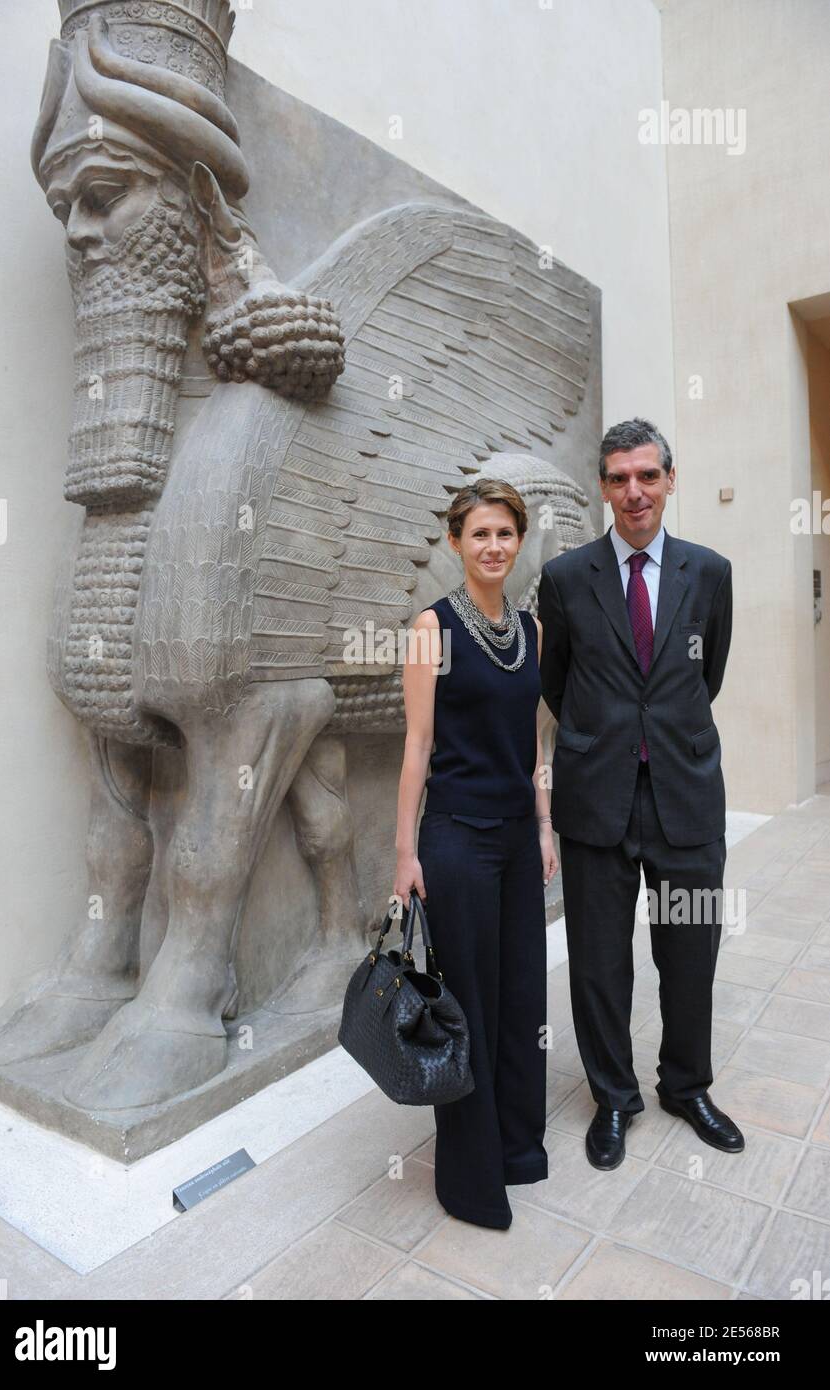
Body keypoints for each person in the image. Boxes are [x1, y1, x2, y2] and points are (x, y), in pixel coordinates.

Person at [538, 417, 744, 1171]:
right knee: (597, 961)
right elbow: (555, 682)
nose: (634, 492)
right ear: (602, 488)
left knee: (689, 953)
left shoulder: (709, 572)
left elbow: (704, 675)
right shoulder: (565, 580)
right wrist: (607, 739)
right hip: (597, 802)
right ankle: (613, 1099)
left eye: (647, 476)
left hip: (685, 801)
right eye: (619, 478)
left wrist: (660, 733)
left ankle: (685, 1087)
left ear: (668, 480)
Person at [394, 477, 557, 1231]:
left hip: (519, 840)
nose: (492, 546)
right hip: (454, 839)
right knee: (469, 1007)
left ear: (518, 543)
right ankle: (469, 1178)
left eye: (504, 534)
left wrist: (545, 825)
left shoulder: (532, 629)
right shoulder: (430, 629)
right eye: (478, 534)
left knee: (522, 995)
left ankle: (519, 1148)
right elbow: (417, 746)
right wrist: (404, 853)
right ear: (456, 542)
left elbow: (533, 745)